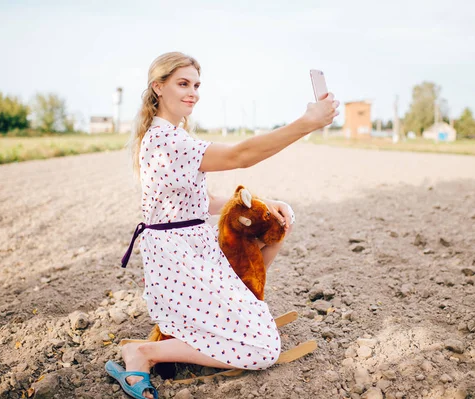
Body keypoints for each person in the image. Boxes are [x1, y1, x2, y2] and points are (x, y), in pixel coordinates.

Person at [105, 51, 339, 399]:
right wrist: (306, 123)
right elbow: (239, 156)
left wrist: (262, 203)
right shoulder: (168, 140)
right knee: (264, 350)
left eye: (196, 85)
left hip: (193, 249)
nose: (193, 92)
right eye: (183, 84)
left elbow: (200, 203)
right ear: (158, 87)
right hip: (178, 259)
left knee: (268, 233)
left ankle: (224, 326)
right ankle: (143, 352)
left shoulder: (169, 136)